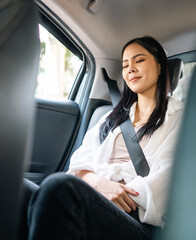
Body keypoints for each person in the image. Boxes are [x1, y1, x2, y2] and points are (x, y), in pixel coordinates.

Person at [27, 36, 184, 240]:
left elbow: (167, 177)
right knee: (20, 191)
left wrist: (118, 194)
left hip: (139, 219)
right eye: (125, 64)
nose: (130, 69)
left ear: (160, 66)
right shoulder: (111, 118)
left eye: (139, 60)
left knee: (59, 188)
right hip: (97, 196)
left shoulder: (180, 117)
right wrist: (99, 184)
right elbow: (80, 161)